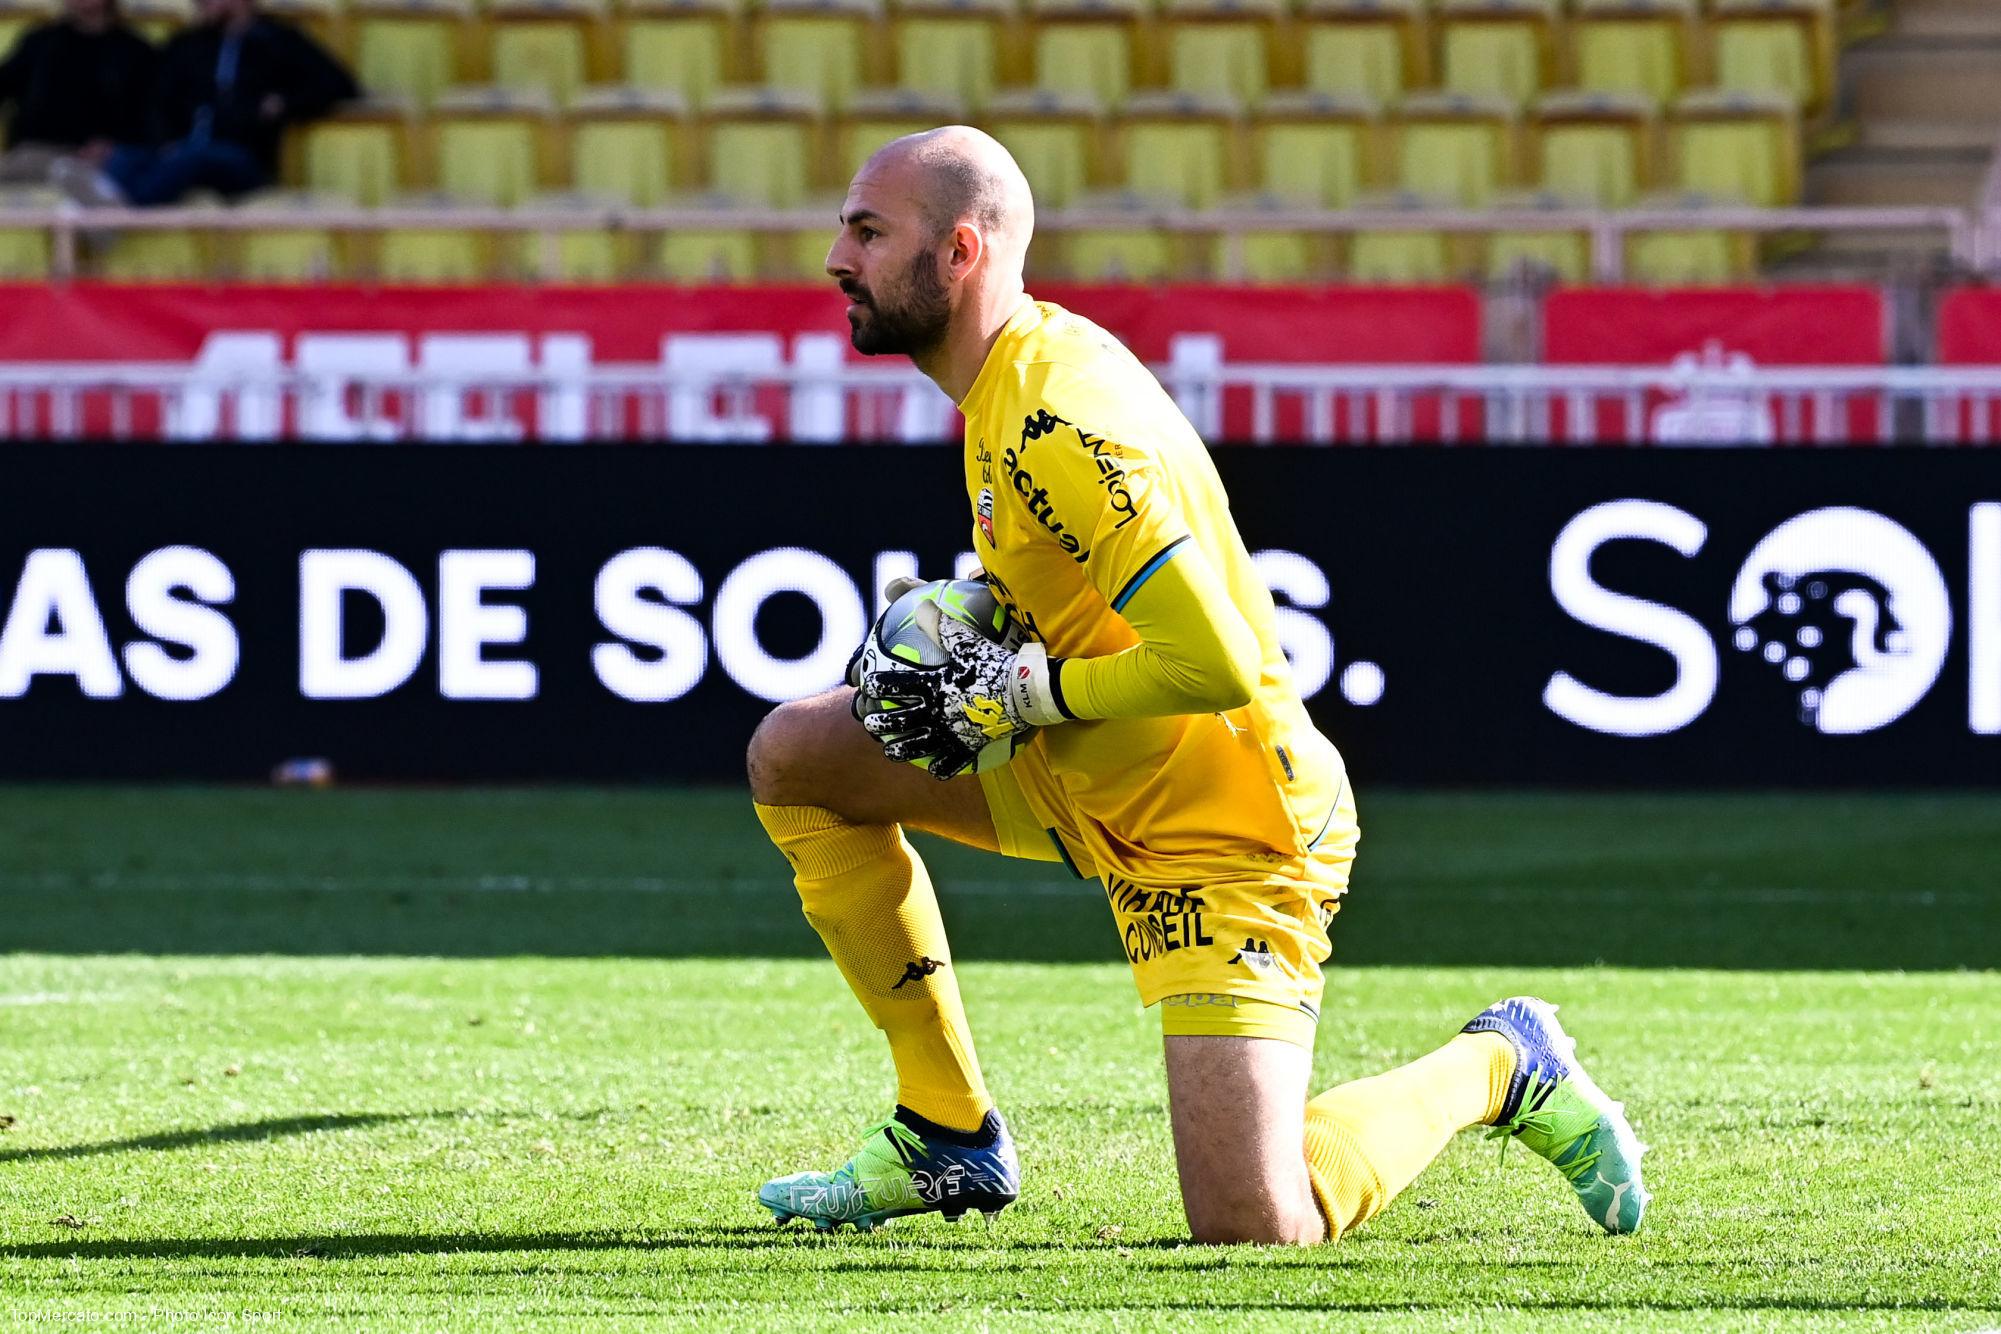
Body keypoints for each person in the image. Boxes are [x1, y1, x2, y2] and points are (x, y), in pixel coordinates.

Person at [745, 126, 1651, 1244]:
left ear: (961, 250)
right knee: (798, 757)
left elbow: (1213, 658)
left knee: (1256, 1222)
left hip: (1227, 821)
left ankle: (1504, 1061)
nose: (837, 255)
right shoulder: (1008, 380)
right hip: (1096, 772)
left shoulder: (1053, 421)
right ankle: (946, 1130)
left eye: (868, 231)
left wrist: (1017, 694)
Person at [53, 0, 354, 207]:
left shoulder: (278, 40)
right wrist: (165, 140)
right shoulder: (187, 45)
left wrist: (283, 103)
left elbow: (339, 84)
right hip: (179, 149)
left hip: (244, 158)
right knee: (123, 158)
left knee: (195, 157)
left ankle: (121, 209)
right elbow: (157, 103)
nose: (199, 6)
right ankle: (113, 202)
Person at [0, 0, 156, 186]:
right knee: (51, 167)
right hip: (39, 151)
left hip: (109, 157)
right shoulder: (39, 43)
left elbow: (152, 116)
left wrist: (113, 146)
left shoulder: (136, 51)